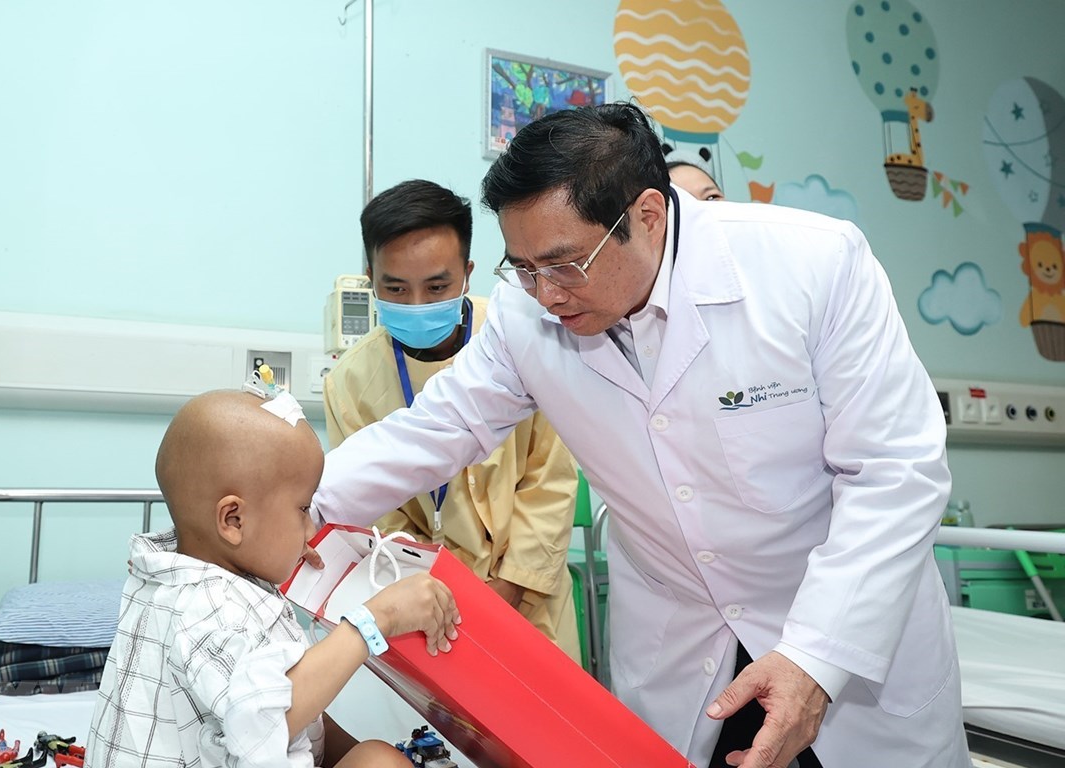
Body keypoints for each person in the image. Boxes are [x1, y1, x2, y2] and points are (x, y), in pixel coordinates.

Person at [311, 104, 968, 768]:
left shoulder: (812, 266)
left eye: (565, 264)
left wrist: (817, 657)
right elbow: (434, 429)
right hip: (682, 654)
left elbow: (895, 473)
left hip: (839, 636)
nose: (545, 295)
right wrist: (286, 511)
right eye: (524, 267)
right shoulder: (523, 315)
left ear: (648, 215)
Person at [86, 387, 459, 768]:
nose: (311, 527)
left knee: (372, 754)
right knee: (380, 763)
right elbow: (266, 723)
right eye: (303, 509)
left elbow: (302, 720)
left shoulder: (174, 578)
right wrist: (377, 619)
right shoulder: (209, 609)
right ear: (233, 520)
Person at [322, 179, 581, 662]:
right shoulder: (350, 382)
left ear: (467, 273)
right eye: (395, 288)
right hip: (426, 609)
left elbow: (550, 479)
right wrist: (431, 594)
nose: (417, 304)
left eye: (437, 287)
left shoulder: (524, 337)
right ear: (370, 278)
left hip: (529, 593)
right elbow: (377, 514)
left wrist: (509, 588)